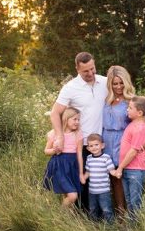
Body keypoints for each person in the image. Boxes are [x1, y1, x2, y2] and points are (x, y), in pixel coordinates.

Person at [50, 52, 108, 210]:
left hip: (100, 142)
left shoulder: (104, 82)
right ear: (77, 69)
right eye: (85, 71)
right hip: (80, 144)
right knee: (80, 182)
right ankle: (81, 220)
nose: (90, 73)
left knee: (99, 181)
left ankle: (99, 216)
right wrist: (60, 136)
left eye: (92, 69)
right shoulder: (70, 88)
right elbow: (55, 113)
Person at [112, 95, 145, 220]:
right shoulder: (134, 123)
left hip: (135, 169)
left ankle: (137, 227)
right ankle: (131, 225)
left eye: (130, 108)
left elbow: (133, 151)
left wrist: (120, 168)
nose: (127, 110)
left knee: (135, 201)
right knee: (129, 199)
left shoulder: (140, 127)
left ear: (139, 112)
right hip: (129, 168)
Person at [103, 65, 134, 213]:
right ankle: (115, 211)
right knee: (111, 179)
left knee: (121, 178)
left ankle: (124, 213)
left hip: (122, 141)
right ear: (110, 84)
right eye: (115, 83)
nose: (118, 86)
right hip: (106, 141)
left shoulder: (130, 101)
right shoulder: (106, 100)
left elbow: (141, 122)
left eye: (121, 83)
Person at [43, 107, 83, 207]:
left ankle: (65, 219)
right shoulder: (55, 133)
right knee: (72, 196)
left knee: (68, 194)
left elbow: (79, 154)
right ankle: (61, 213)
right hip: (59, 166)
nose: (77, 122)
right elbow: (46, 151)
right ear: (66, 119)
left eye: (78, 119)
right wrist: (54, 150)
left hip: (72, 166)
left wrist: (81, 173)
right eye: (74, 119)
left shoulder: (78, 134)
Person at [82, 133, 116, 223]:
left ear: (102, 145)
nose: (94, 147)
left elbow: (111, 170)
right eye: (91, 146)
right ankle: (94, 225)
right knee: (92, 209)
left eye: (96, 145)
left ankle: (110, 226)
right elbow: (88, 172)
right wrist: (83, 178)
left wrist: (116, 173)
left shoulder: (106, 158)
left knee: (106, 209)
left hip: (104, 191)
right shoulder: (89, 158)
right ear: (88, 148)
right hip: (92, 191)